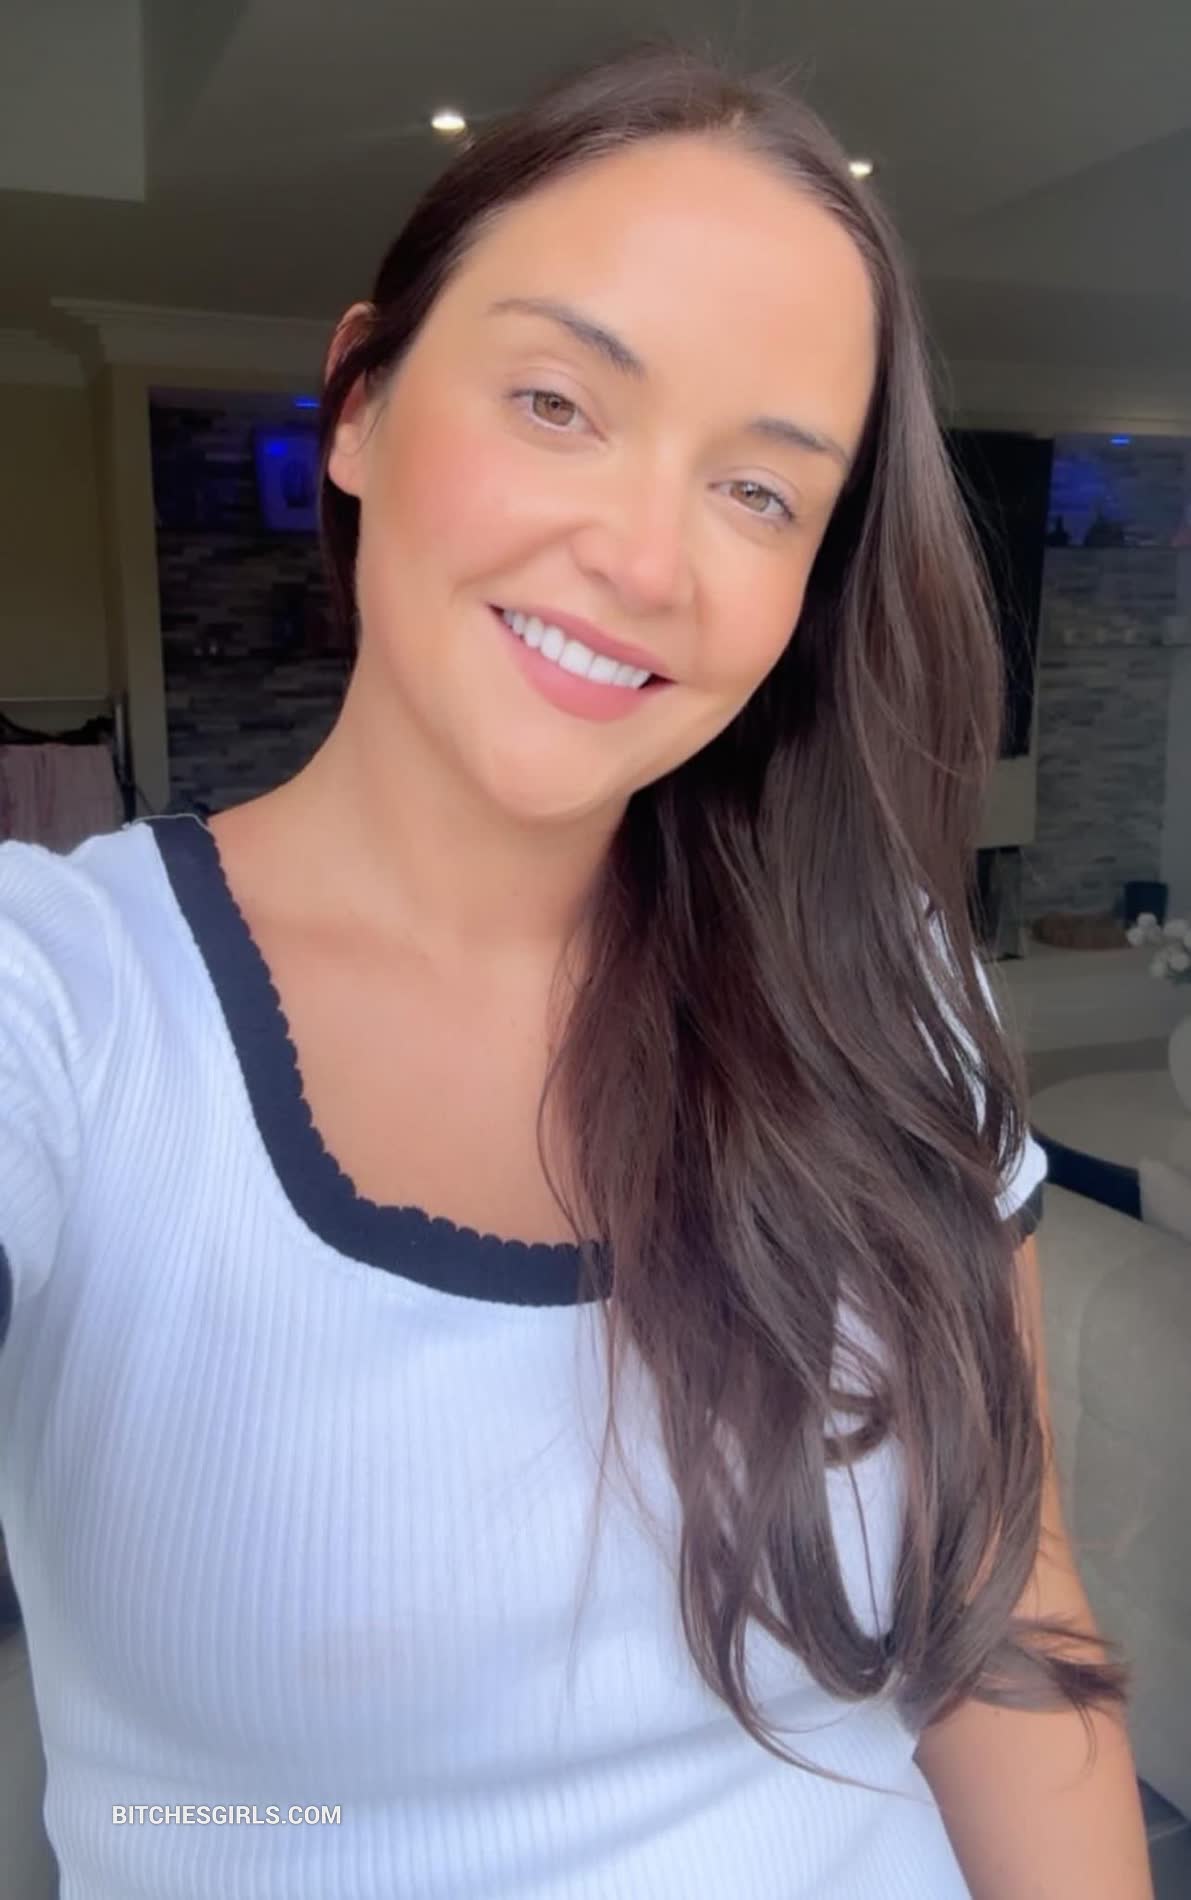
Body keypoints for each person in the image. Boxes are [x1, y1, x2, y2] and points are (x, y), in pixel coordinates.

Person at [0, 41, 1152, 1900]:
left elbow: (1006, 1617)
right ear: (359, 403)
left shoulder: (882, 983)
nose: (642, 558)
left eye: (760, 493)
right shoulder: (62, 1008)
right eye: (557, 401)